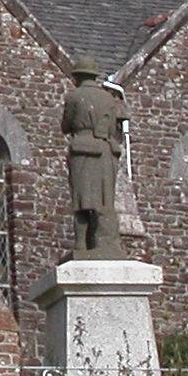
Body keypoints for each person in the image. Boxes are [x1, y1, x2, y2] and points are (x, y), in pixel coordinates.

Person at [61, 55, 129, 258]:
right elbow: (114, 128)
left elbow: (66, 125)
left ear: (77, 77)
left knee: (82, 200)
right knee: (104, 200)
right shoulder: (109, 99)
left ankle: (81, 244)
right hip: (106, 152)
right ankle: (102, 242)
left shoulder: (74, 97)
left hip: (82, 150)